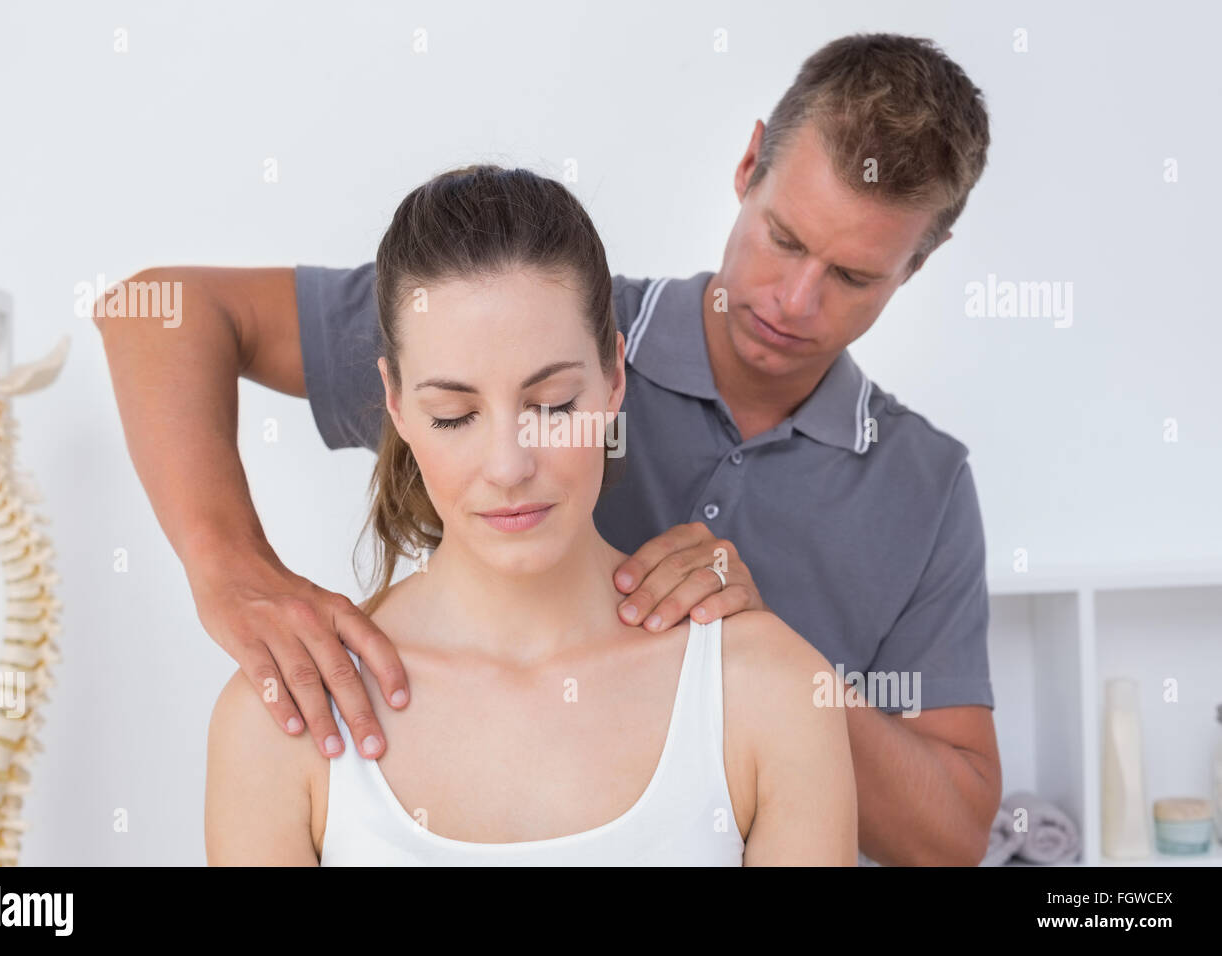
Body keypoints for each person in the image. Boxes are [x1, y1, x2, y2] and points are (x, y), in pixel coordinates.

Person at [97, 32, 1000, 865]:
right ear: (748, 166)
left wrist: (773, 670)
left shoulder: (922, 489)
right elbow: (158, 310)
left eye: (851, 276)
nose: (795, 301)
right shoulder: (506, 302)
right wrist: (227, 566)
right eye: (785, 238)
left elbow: (955, 832)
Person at [203, 164, 858, 864]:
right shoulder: (284, 721)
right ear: (396, 404)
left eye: (551, 405)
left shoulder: (769, 692)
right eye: (454, 415)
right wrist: (228, 565)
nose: (510, 465)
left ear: (612, 377)